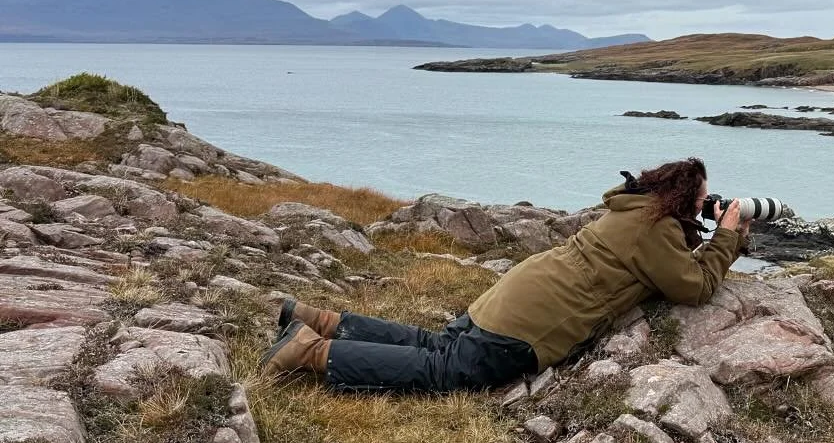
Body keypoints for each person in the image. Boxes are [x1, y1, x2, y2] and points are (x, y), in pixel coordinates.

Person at [259, 157, 747, 392]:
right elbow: (696, 287)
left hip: (513, 295)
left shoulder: (633, 213)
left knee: (436, 345)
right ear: (683, 200)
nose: (706, 206)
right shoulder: (657, 230)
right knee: (444, 372)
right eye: (701, 200)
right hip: (529, 325)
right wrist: (728, 233)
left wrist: (702, 228)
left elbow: (672, 262)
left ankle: (318, 318)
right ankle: (310, 351)